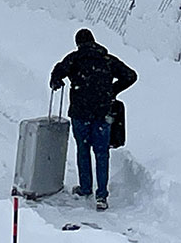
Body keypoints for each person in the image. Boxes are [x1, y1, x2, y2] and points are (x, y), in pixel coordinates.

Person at [50, 28, 137, 211]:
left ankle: (85, 188)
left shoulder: (74, 59)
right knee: (101, 153)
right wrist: (111, 91)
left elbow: (58, 71)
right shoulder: (107, 59)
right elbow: (131, 76)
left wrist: (56, 81)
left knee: (83, 150)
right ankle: (102, 196)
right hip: (102, 114)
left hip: (80, 113)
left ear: (78, 44)